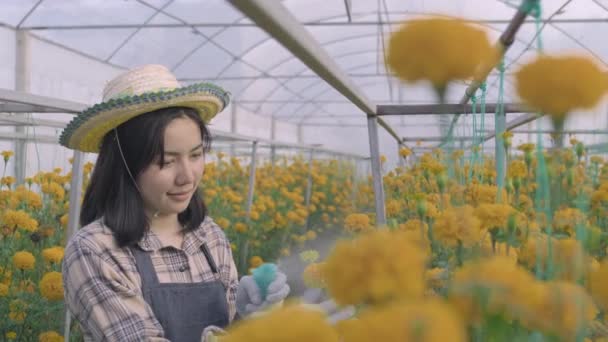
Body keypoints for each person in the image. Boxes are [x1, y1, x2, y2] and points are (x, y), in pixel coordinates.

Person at [60, 64, 290, 342]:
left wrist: (250, 319)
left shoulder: (209, 237)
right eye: (166, 161)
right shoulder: (96, 251)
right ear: (125, 165)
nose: (187, 177)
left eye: (195, 155)